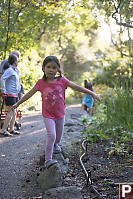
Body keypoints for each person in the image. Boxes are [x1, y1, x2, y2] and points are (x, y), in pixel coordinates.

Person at [12, 56, 100, 168]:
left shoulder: (62, 81)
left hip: (60, 114)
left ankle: (55, 144)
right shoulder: (41, 83)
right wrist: (18, 103)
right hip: (48, 115)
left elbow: (77, 87)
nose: (51, 70)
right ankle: (48, 160)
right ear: (43, 68)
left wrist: (92, 93)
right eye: (48, 67)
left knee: (57, 138)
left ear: (58, 69)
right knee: (51, 135)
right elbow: (29, 94)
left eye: (54, 67)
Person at [0, 54, 21, 136]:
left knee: (14, 112)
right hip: (10, 94)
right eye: (18, 60)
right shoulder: (9, 70)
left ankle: (12, 129)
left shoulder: (15, 70)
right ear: (15, 61)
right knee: (11, 111)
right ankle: (3, 130)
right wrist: (3, 90)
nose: (18, 61)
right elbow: (2, 78)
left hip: (15, 94)